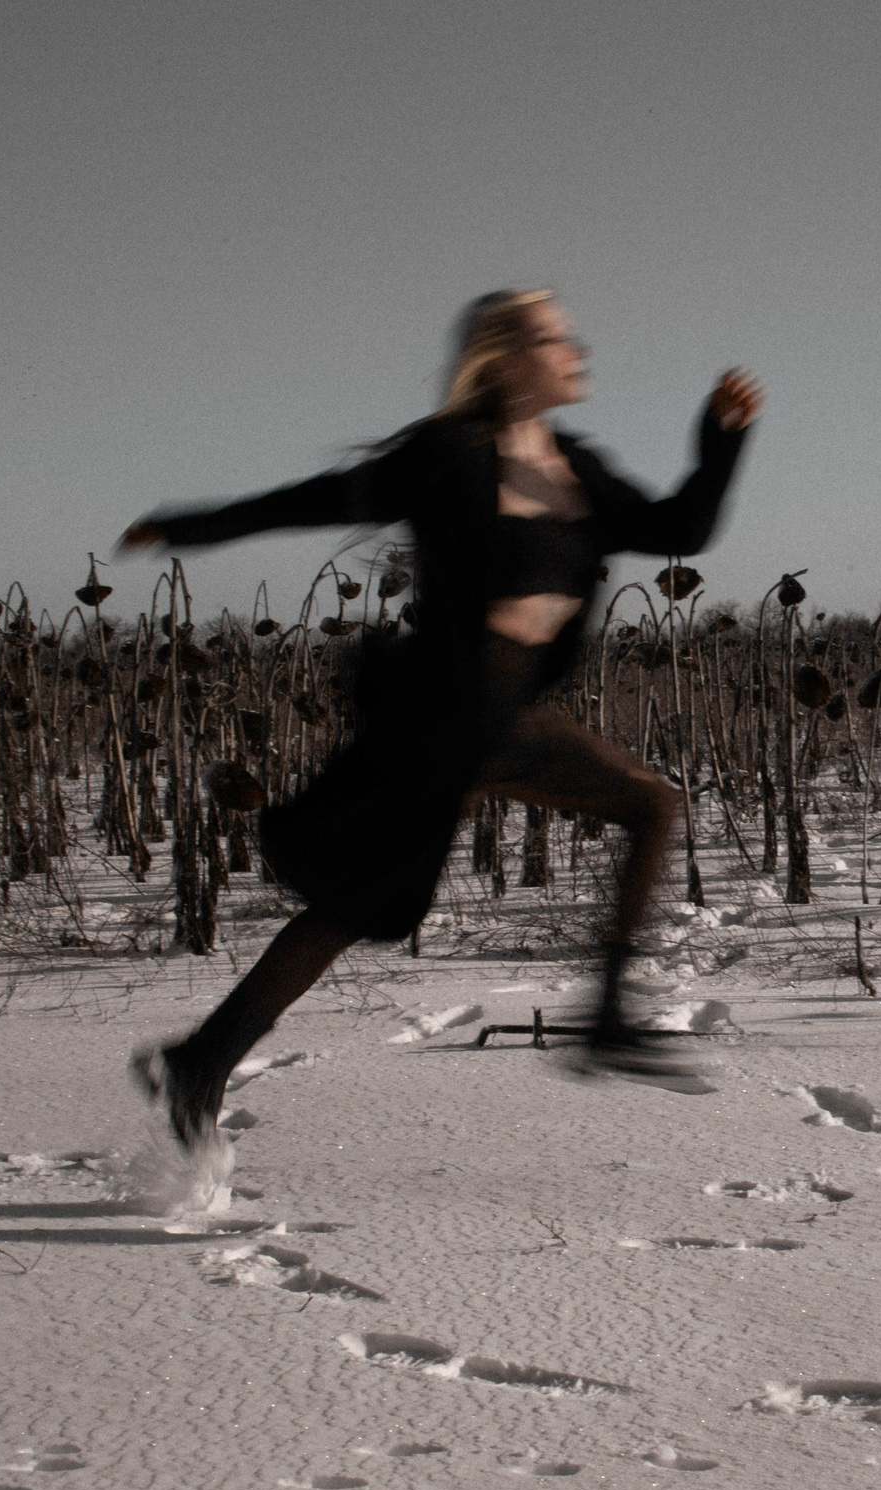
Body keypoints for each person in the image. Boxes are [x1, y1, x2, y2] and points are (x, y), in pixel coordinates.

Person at [118, 288, 760, 1173]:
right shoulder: (449, 452)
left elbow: (680, 527)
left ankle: (203, 1058)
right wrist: (192, 525)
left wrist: (720, 438)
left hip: (504, 714)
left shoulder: (577, 467)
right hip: (441, 712)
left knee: (622, 815)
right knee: (379, 899)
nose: (575, 350)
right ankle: (204, 1060)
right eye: (553, 338)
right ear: (507, 356)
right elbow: (325, 497)